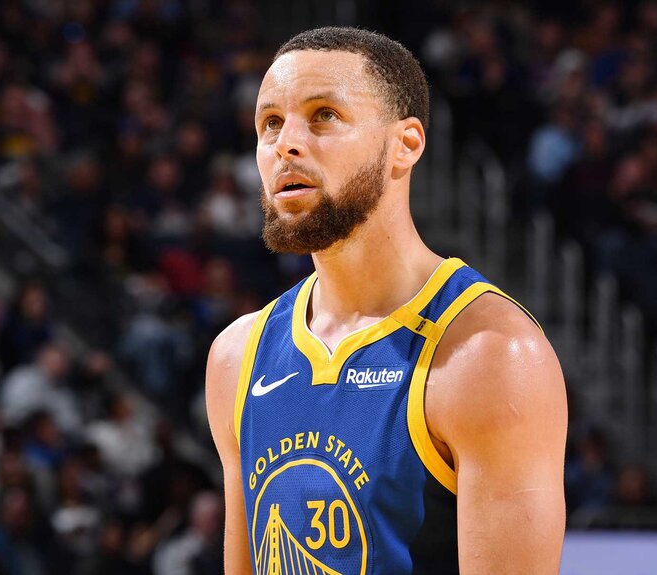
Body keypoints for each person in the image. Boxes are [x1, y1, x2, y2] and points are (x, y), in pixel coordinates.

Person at [206, 27, 567, 574]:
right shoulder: (237, 356)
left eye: (324, 115)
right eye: (270, 123)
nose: (286, 144)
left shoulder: (490, 356)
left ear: (406, 145)